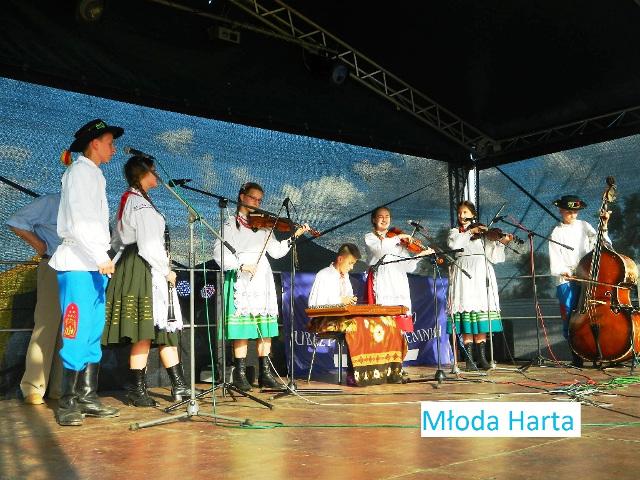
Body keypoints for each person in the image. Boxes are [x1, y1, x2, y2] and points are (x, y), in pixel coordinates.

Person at [49, 118, 123, 426]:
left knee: (92, 330)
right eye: (109, 143)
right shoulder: (79, 172)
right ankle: (67, 400)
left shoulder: (94, 174)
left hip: (93, 265)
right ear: (94, 143)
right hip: (78, 263)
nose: (113, 149)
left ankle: (88, 396)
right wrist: (100, 256)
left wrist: (102, 257)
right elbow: (79, 221)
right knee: (76, 330)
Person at [102, 156, 190, 407]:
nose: (157, 175)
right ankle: (137, 389)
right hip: (143, 268)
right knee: (144, 331)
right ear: (142, 174)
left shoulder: (134, 200)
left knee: (163, 330)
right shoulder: (139, 204)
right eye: (153, 171)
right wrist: (166, 270)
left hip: (140, 265)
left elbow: (118, 239)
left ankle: (179, 385)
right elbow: (149, 245)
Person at [213, 182, 309, 392]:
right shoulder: (229, 223)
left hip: (261, 276)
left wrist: (295, 236)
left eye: (259, 200)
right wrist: (240, 265)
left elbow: (276, 252)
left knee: (264, 326)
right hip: (241, 276)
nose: (256, 203)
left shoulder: (264, 225)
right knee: (242, 328)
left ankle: (265, 373)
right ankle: (239, 374)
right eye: (253, 198)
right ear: (242, 197)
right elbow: (218, 253)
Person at [7, 193, 63, 405]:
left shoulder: (90, 206)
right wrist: (42, 247)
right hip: (55, 266)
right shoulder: (52, 201)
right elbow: (16, 221)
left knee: (70, 330)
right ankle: (33, 387)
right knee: (46, 327)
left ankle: (61, 389)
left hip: (82, 272)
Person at [447, 200, 513, 370]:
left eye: (465, 212)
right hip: (464, 271)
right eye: (460, 213)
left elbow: (495, 257)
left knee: (480, 314)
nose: (462, 215)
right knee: (467, 315)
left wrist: (501, 243)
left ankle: (482, 358)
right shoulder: (455, 232)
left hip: (481, 272)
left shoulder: (484, 233)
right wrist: (470, 232)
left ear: (473, 214)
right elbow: (454, 245)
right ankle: (469, 359)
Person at [548, 194, 610, 368]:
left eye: (575, 211)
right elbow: (555, 258)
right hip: (567, 279)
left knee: (592, 314)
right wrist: (564, 271)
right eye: (569, 211)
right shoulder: (556, 232)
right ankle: (576, 355)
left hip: (587, 276)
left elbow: (601, 242)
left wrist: (604, 226)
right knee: (570, 316)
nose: (573, 214)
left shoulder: (584, 225)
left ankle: (596, 351)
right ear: (561, 210)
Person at [364, 206, 432, 316]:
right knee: (383, 318)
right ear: (374, 220)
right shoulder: (370, 237)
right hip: (382, 280)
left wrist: (420, 256)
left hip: (398, 282)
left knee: (400, 317)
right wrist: (398, 237)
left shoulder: (398, 241)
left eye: (387, 216)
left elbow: (408, 267)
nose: (384, 219)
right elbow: (381, 250)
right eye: (381, 217)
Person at [308, 243, 360, 307]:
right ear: (340, 259)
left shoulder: (345, 276)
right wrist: (341, 301)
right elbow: (315, 305)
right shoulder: (323, 275)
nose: (352, 267)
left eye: (353, 264)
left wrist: (351, 300)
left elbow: (348, 297)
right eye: (350, 263)